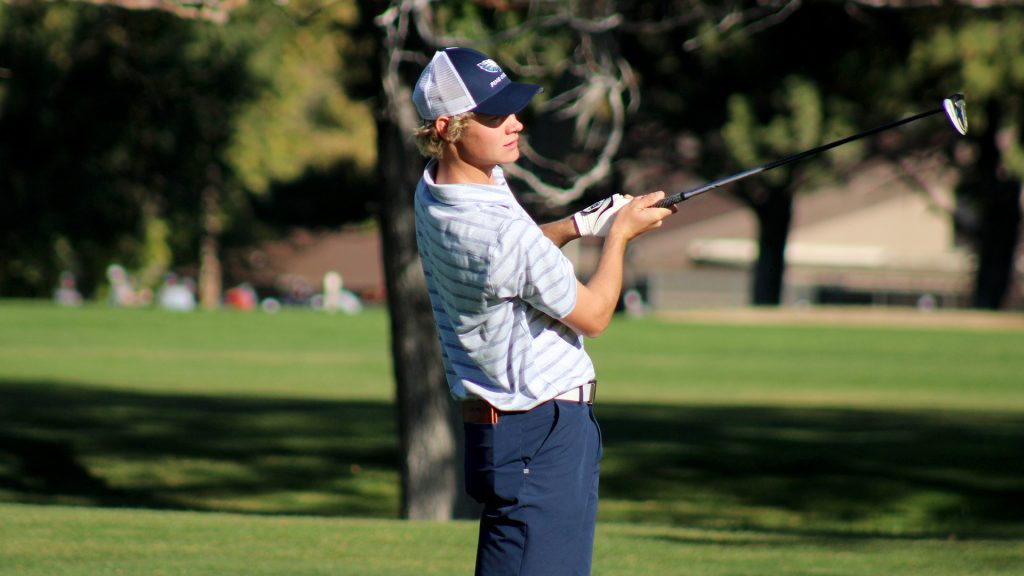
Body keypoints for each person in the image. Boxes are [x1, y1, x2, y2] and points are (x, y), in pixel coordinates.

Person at [411, 47, 675, 576]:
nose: (516, 124)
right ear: (447, 127)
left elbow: (518, 257)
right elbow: (596, 315)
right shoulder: (496, 232)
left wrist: (577, 227)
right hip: (541, 430)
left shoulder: (439, 185)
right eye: (494, 116)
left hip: (508, 432)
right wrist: (619, 236)